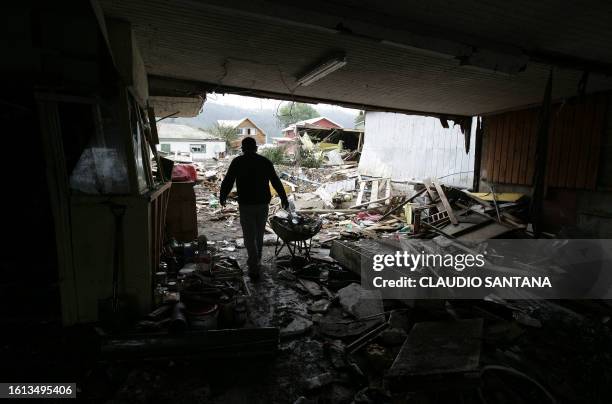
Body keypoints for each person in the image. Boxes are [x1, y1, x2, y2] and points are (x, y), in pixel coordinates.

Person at [219, 137, 289, 280]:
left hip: (246, 204)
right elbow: (275, 181)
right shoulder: (265, 162)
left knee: (249, 236)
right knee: (258, 234)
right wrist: (283, 197)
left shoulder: (238, 162)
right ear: (256, 148)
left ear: (243, 149)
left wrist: (223, 196)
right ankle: (257, 259)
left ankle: (253, 266)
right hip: (262, 204)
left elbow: (228, 180)